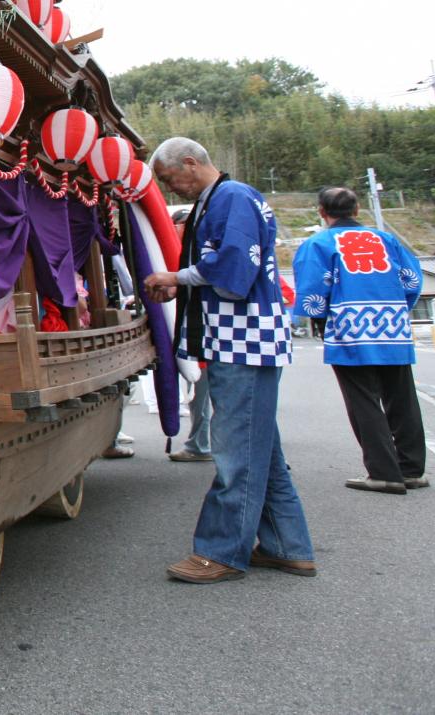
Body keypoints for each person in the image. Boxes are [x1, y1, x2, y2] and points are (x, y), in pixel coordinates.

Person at [142, 137, 315, 584]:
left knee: (237, 451)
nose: (169, 188)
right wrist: (182, 282)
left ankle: (221, 551)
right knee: (261, 450)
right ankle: (286, 545)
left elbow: (234, 271)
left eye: (168, 179)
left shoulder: (232, 197)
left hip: (244, 340)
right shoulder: (221, 198)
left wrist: (176, 277)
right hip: (241, 339)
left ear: (189, 162)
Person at [293, 186, 427, 494]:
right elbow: (411, 280)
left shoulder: (319, 243)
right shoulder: (387, 239)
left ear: (322, 213)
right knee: (402, 397)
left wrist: (320, 316)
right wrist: (396, 308)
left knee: (363, 399)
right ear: (357, 211)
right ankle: (412, 470)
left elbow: (313, 293)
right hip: (392, 323)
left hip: (349, 325)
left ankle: (383, 472)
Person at [167, 208, 213, 464]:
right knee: (200, 397)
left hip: (204, 337)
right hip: (197, 337)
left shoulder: (195, 255)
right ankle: (200, 443)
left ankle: (199, 444)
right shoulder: (182, 253)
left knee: (202, 397)